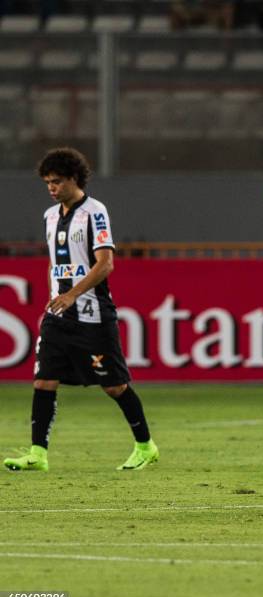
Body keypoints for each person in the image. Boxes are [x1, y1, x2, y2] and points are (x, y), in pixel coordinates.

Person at [4, 148, 159, 472]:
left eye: (56, 181)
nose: (51, 187)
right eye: (47, 182)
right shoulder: (49, 215)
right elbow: (55, 262)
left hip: (92, 314)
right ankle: (38, 454)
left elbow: (106, 264)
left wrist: (72, 294)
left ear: (74, 178)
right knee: (43, 380)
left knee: (114, 385)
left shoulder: (94, 212)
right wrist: (55, 295)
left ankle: (146, 446)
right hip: (58, 314)